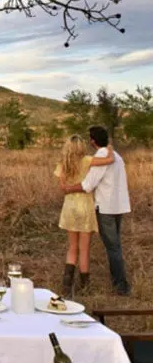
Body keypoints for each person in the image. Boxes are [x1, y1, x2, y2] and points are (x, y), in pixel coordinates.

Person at [62, 126, 132, 296]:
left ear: (93, 141)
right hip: (119, 205)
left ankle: (120, 285)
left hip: (105, 207)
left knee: (112, 246)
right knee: (114, 245)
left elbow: (88, 185)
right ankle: (113, 282)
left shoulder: (100, 156)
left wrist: (69, 189)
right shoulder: (116, 155)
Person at [54, 135, 115, 296]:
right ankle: (85, 286)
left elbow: (63, 188)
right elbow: (109, 160)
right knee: (84, 249)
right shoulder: (87, 160)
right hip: (85, 206)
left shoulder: (62, 164)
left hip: (69, 207)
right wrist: (109, 147)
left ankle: (67, 285)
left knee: (72, 247)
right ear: (81, 147)